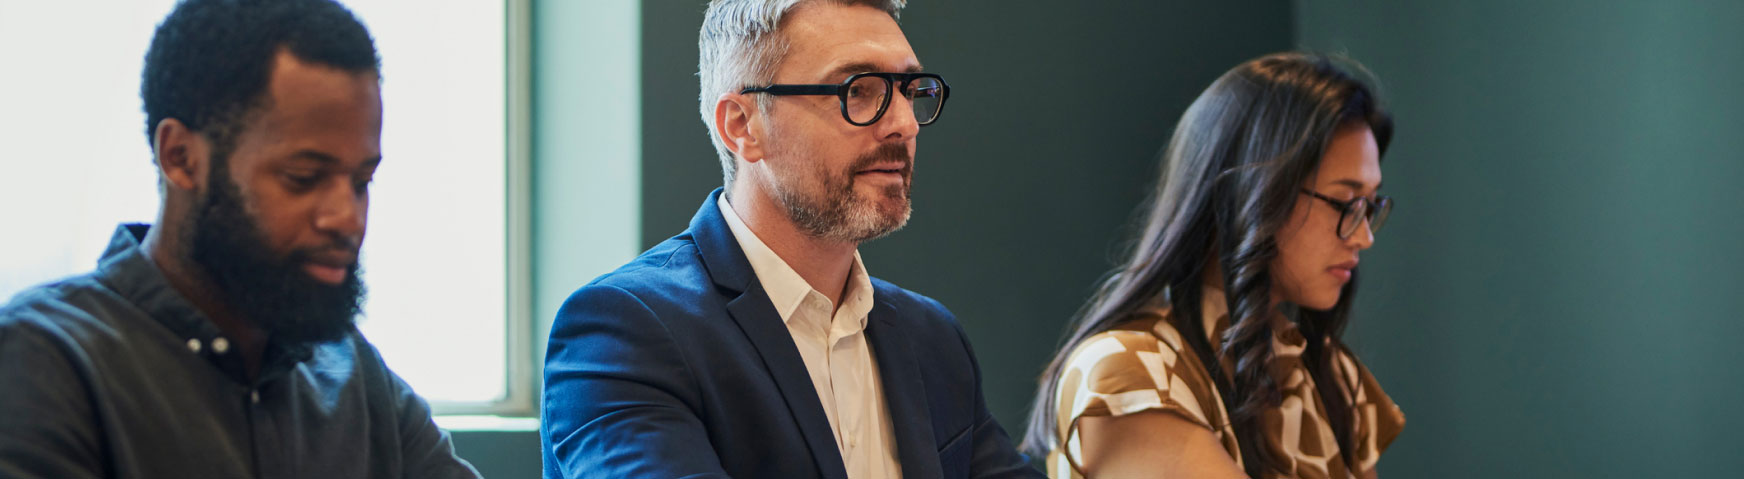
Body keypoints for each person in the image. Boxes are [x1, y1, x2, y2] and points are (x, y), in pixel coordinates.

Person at [540, 1, 1039, 477]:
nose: (904, 124)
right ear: (742, 126)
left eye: (910, 90)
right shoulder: (622, 332)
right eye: (858, 89)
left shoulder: (931, 337)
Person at [0, 0, 480, 477]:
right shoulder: (47, 361)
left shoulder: (355, 376)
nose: (347, 219)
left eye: (361, 182)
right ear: (181, 158)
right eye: (303, 177)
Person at [1021, 53, 1406, 479]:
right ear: (1253, 193)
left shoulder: (1323, 366)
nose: (1363, 235)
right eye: (1345, 202)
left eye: (1370, 206)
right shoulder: (1131, 373)